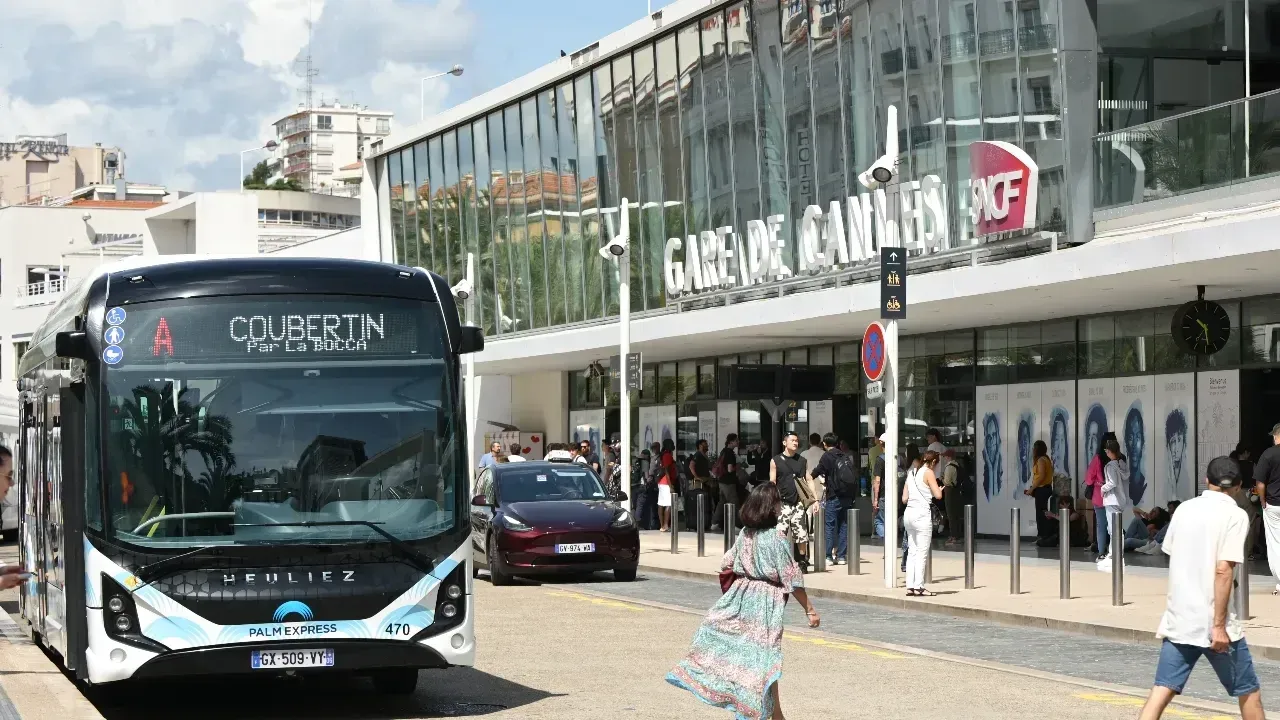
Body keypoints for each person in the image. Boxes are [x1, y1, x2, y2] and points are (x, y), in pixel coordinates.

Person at [666, 483, 820, 720]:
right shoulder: (776, 539)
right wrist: (810, 610)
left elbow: (726, 563)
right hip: (765, 603)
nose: (780, 507)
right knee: (764, 660)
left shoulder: (744, 534)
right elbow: (792, 578)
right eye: (777, 502)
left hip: (741, 596)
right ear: (770, 508)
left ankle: (776, 714)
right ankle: (761, 712)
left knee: (757, 660)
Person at [1138, 456, 1263, 720]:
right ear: (1238, 486)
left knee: (1161, 690)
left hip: (1180, 618)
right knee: (1248, 691)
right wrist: (1218, 626)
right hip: (1215, 624)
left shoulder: (1184, 509)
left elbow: (1169, 550)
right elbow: (1223, 570)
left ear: (1207, 481)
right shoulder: (1236, 515)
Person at [810, 433, 856, 566]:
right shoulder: (844, 455)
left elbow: (817, 471)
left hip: (834, 495)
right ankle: (841, 556)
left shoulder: (827, 456)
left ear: (824, 444)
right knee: (844, 525)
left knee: (829, 526)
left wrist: (808, 478)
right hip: (847, 496)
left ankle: (828, 556)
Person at [903, 450, 943, 596]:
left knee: (912, 550)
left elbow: (904, 498)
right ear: (933, 462)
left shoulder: (911, 472)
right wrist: (938, 489)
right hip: (921, 514)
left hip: (909, 513)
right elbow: (938, 495)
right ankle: (919, 586)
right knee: (921, 552)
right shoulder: (928, 472)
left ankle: (910, 586)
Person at [770, 431, 811, 571]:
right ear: (784, 442)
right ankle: (779, 561)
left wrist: (814, 500)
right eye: (792, 440)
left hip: (799, 502)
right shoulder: (775, 460)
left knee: (801, 534)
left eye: (797, 440)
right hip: (783, 502)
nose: (795, 443)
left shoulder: (802, 460)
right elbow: (772, 482)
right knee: (780, 532)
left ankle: (802, 561)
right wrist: (772, 501)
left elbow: (808, 479)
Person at [1253, 423, 1280, 593]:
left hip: (1274, 504)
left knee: (1276, 543)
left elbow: (1260, 483)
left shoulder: (1269, 454)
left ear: (1276, 436)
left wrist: (1262, 501)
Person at [1100, 436, 1132, 566]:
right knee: (1117, 528)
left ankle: (1113, 554)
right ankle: (1118, 553)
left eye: (1106, 451)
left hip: (1112, 499)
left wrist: (1102, 488)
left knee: (1112, 529)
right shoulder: (1122, 464)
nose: (1105, 453)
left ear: (1109, 451)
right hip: (1121, 500)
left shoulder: (1110, 466)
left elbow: (1112, 482)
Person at [1084, 432, 1117, 560]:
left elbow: (1088, 480)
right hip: (1115, 497)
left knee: (1101, 525)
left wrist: (1099, 482)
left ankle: (1101, 552)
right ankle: (1114, 552)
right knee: (1114, 526)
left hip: (1100, 497)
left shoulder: (1098, 458)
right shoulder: (1120, 459)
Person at [1024, 439, 1055, 545]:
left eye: (1034, 448)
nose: (1032, 450)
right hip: (1045, 488)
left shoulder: (1041, 460)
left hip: (1042, 489)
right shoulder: (1046, 459)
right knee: (1043, 512)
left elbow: (1041, 476)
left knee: (1040, 514)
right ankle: (1044, 535)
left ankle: (1043, 536)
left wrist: (1032, 489)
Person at [940, 449, 965, 545]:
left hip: (950, 491)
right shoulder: (957, 465)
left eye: (945, 456)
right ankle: (956, 534)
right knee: (955, 514)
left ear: (949, 457)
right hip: (956, 491)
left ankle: (954, 536)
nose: (944, 458)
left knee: (950, 514)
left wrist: (942, 478)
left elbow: (947, 482)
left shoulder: (949, 467)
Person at [716, 434, 741, 529]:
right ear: (731, 442)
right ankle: (737, 525)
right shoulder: (730, 453)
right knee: (734, 502)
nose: (738, 442)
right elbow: (730, 469)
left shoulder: (723, 451)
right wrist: (737, 467)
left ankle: (715, 523)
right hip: (728, 482)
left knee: (722, 502)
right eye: (736, 440)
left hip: (721, 481)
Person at [657, 438, 677, 532]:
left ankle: (662, 525)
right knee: (668, 504)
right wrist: (670, 485)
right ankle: (665, 525)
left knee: (661, 504)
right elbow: (667, 471)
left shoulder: (662, 455)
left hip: (661, 482)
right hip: (666, 482)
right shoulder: (667, 455)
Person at [871, 434, 887, 538]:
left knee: (879, 520)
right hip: (897, 494)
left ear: (881, 443)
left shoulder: (880, 459)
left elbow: (877, 481)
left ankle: (888, 542)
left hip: (883, 494)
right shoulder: (898, 458)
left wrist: (875, 499)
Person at [801, 433, 826, 498]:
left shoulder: (803, 454)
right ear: (820, 441)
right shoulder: (825, 454)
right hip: (822, 486)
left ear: (809, 442)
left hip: (808, 487)